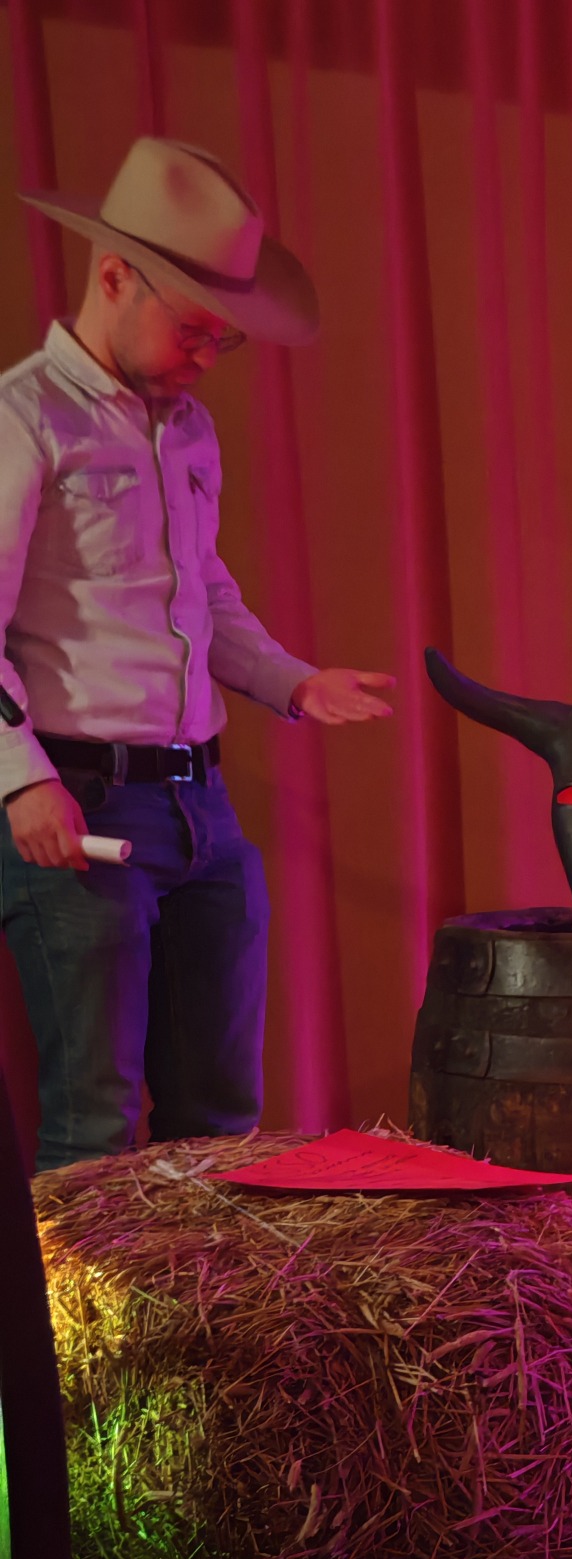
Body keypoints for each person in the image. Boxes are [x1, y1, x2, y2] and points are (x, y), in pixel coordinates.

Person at [0, 138, 394, 1171]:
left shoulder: (187, 430)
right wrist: (21, 782)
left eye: (224, 339)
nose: (206, 357)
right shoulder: (23, 419)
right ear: (113, 278)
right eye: (192, 331)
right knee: (96, 1121)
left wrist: (293, 682)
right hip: (82, 803)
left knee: (219, 1117)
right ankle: (85, 1291)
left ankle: (201, 1286)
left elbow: (204, 590)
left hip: (199, 807)